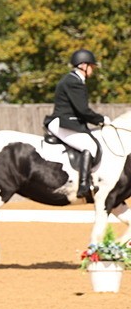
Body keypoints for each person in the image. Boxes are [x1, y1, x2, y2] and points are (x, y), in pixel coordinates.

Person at [45, 48, 109, 202]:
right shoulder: (74, 82)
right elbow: (82, 110)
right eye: (91, 66)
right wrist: (102, 120)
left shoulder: (74, 79)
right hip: (64, 123)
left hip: (67, 121)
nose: (93, 69)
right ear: (83, 65)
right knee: (90, 146)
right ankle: (84, 186)